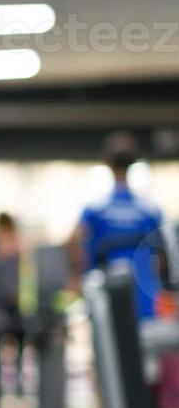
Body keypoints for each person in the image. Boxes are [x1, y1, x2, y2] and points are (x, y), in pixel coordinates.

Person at [68, 131, 164, 318]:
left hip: (106, 299)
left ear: (106, 161)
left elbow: (73, 242)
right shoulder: (150, 211)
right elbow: (160, 258)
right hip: (145, 298)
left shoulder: (95, 211)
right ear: (134, 162)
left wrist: (79, 274)